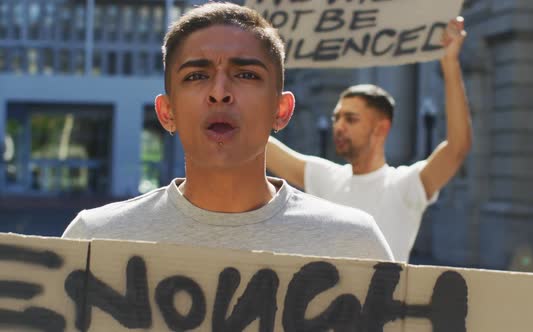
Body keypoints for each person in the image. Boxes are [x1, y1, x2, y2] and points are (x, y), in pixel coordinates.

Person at [62, 3, 393, 261]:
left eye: (246, 75)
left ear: (281, 111)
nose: (219, 92)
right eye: (196, 76)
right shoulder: (93, 238)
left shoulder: (354, 242)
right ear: (167, 112)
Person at [267, 17, 472, 262]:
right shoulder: (325, 177)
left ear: (381, 128)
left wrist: (450, 63)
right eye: (337, 118)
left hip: (383, 301)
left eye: (351, 119)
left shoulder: (405, 185)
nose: (339, 126)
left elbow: (458, 147)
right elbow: (262, 146)